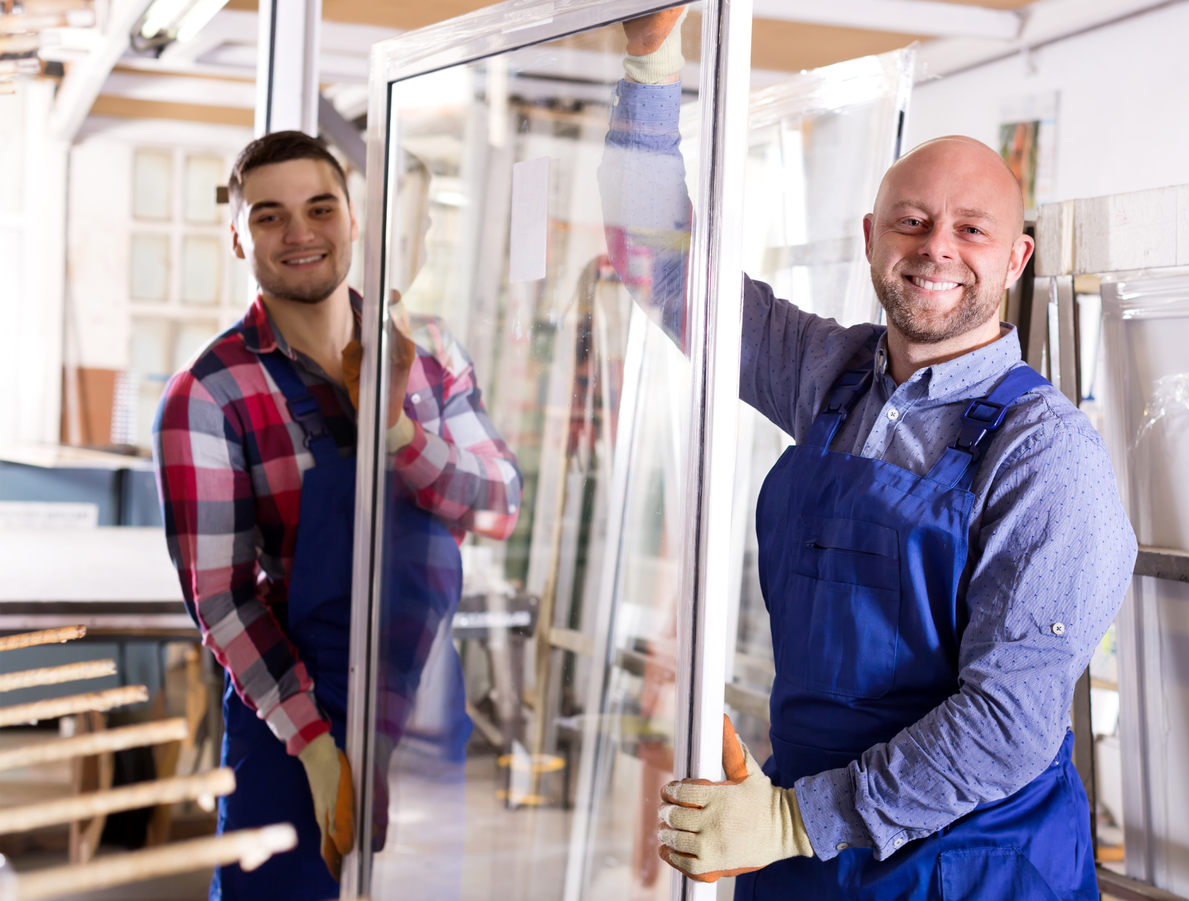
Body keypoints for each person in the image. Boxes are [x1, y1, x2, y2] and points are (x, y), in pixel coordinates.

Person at [602, 10, 1138, 901]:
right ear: (870, 236)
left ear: (1016, 258)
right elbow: (655, 264)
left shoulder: (1047, 455)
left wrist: (793, 819)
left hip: (970, 866)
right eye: (913, 221)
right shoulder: (829, 372)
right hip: (807, 853)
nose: (937, 248)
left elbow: (1008, 722)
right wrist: (650, 63)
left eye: (972, 230)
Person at [153, 131, 521, 901]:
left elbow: (499, 504)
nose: (300, 233)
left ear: (354, 221)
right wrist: (319, 750)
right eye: (269, 216)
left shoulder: (430, 354)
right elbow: (222, 598)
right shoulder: (208, 393)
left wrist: (397, 434)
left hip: (422, 714)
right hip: (292, 726)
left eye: (320, 208)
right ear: (236, 235)